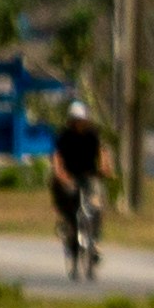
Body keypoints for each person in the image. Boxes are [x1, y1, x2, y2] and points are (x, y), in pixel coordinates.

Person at [46, 92, 107, 280]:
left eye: (82, 120)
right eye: (76, 120)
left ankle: (95, 243)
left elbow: (102, 154)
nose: (80, 123)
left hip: (89, 177)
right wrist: (61, 176)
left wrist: (104, 169)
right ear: (71, 121)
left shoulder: (92, 135)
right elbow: (57, 159)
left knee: (96, 204)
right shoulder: (64, 136)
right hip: (69, 177)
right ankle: (68, 233)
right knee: (69, 210)